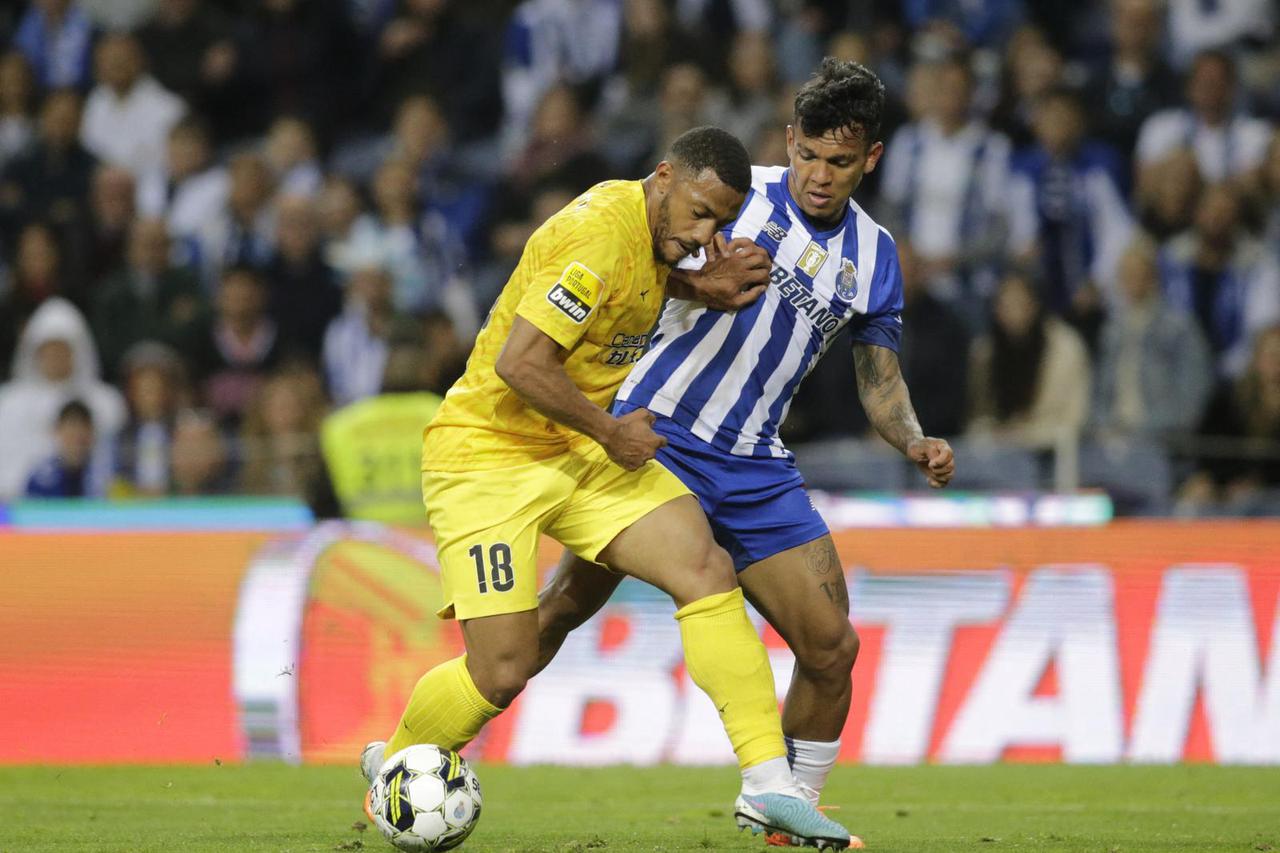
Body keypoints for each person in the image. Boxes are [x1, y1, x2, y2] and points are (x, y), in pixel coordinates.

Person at [359, 126, 853, 849]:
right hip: (488, 457)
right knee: (502, 666)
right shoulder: (596, 236)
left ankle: (768, 784)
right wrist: (613, 430)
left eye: (720, 222)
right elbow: (521, 365)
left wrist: (698, 285)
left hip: (574, 449)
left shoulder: (648, 236)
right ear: (663, 177)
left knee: (703, 566)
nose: (703, 233)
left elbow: (640, 279)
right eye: (698, 214)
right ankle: (396, 764)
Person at [534, 60, 954, 841]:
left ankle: (789, 812)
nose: (818, 176)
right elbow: (635, 257)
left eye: (838, 162)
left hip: (757, 465)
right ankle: (421, 745)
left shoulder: (876, 256)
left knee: (832, 647)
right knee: (562, 606)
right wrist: (699, 282)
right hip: (655, 436)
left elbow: (879, 380)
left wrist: (914, 438)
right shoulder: (732, 195)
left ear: (872, 158)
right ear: (788, 140)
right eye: (807, 155)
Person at [24, 399, 100, 498]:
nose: (77, 435)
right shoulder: (41, 479)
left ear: (92, 432)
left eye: (82, 429)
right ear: (57, 430)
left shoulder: (106, 476)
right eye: (71, 430)